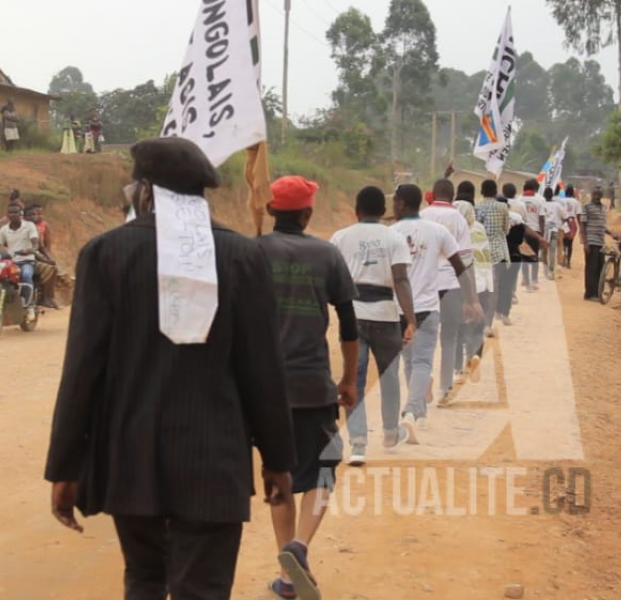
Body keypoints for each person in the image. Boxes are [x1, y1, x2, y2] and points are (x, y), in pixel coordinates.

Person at [44, 137, 296, 600]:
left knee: (143, 579)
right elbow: (263, 369)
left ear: (145, 192)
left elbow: (82, 371)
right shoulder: (243, 256)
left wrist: (65, 466)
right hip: (214, 461)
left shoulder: (105, 254)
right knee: (202, 589)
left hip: (130, 456)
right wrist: (278, 460)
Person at [257, 175, 358, 600]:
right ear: (308, 213)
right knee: (322, 472)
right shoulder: (327, 254)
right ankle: (298, 547)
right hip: (313, 384)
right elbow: (349, 324)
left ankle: (286, 572)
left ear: (270, 211)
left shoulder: (250, 252)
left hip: (263, 389)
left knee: (276, 474)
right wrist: (350, 378)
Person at [330, 186, 416, 465]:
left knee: (353, 377)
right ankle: (391, 432)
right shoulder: (394, 238)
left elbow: (332, 278)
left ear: (356, 210)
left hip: (352, 316)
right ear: (383, 211)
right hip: (386, 315)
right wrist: (411, 320)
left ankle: (357, 444)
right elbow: (401, 280)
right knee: (389, 377)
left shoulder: (340, 237)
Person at [391, 184, 483, 440]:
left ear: (400, 203)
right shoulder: (438, 231)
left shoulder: (391, 233)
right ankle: (414, 413)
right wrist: (471, 299)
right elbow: (460, 266)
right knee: (422, 361)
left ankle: (415, 412)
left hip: (399, 309)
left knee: (410, 362)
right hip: (428, 308)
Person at [421, 179, 474, 402]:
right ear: (452, 197)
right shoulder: (459, 220)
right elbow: (466, 259)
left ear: (434, 194)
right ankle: (445, 387)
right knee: (449, 337)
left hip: (426, 286)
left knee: (425, 338)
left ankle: (427, 376)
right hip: (452, 285)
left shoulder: (422, 216)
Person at [453, 200, 492, 383]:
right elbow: (486, 255)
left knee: (458, 327)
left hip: (460, 284)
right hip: (481, 282)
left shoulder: (454, 231)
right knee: (477, 323)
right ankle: (474, 355)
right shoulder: (479, 229)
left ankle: (457, 367)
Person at [0, 204, 39, 319]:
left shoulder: (29, 226)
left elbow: (35, 242)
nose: (13, 215)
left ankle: (29, 305)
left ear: (20, 214)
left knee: (26, 275)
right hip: (12, 262)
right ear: (7, 215)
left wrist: (31, 249)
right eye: (11, 213)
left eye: (16, 212)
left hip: (27, 261)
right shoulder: (4, 229)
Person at [476, 180, 511, 330]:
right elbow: (506, 230)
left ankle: (477, 322)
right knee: (494, 288)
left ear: (482, 191)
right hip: (498, 252)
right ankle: (487, 325)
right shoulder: (503, 207)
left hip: (480, 252)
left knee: (480, 287)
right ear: (495, 191)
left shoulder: (477, 207)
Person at [581, 186, 616, 301]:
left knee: (600, 268)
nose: (597, 196)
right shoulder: (586, 206)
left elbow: (601, 225)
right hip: (591, 241)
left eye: (599, 194)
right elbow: (583, 225)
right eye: (595, 194)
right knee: (591, 268)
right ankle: (590, 294)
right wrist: (585, 243)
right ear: (591, 194)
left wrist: (611, 233)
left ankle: (597, 292)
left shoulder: (603, 207)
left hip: (601, 242)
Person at [24, 205, 60, 309]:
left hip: (36, 255)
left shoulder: (41, 227)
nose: (35, 217)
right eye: (31, 214)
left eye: (38, 214)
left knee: (52, 268)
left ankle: (47, 297)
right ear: (24, 216)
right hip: (24, 257)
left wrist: (49, 259)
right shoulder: (19, 226)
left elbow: (44, 247)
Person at [520, 179, 544, 292]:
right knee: (535, 257)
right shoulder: (539, 201)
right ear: (534, 190)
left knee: (524, 258)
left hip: (523, 232)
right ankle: (534, 280)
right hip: (535, 232)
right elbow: (542, 218)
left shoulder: (519, 200)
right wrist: (541, 235)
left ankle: (526, 282)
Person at [542, 187, 567, 281]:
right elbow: (565, 216)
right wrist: (560, 222)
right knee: (552, 251)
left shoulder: (542, 204)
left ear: (544, 195)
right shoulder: (557, 205)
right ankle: (551, 271)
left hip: (544, 230)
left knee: (544, 251)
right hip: (554, 230)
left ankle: (545, 269)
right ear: (552, 195)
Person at [561, 185, 582, 268]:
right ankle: (568, 262)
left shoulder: (561, 201)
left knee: (563, 242)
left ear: (565, 192)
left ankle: (563, 258)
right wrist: (580, 227)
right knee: (570, 243)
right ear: (572, 193)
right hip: (571, 222)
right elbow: (579, 215)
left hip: (563, 222)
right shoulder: (576, 202)